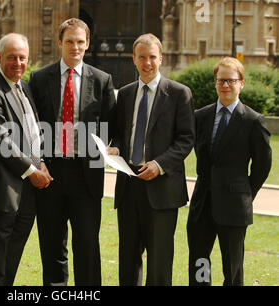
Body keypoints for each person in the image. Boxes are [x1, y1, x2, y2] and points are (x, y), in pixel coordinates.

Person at [29, 18, 116, 286]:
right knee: (52, 245)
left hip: (86, 174)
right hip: (51, 172)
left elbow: (111, 124)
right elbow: (32, 124)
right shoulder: (40, 78)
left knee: (87, 245)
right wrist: (38, 162)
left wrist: (110, 147)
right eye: (69, 41)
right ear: (59, 43)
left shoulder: (102, 80)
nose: (75, 46)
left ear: (87, 44)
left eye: (80, 41)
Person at [108, 33, 195, 286]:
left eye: (152, 57)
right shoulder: (124, 94)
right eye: (142, 57)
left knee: (159, 263)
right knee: (128, 260)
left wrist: (160, 165)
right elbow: (120, 135)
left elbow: (186, 139)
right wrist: (115, 148)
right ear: (134, 59)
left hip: (162, 189)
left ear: (162, 59)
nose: (147, 63)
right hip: (129, 186)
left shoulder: (180, 93)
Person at [187, 57, 271, 286]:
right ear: (215, 83)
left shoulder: (253, 121)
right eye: (220, 80)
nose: (225, 85)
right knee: (199, 261)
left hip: (234, 207)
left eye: (230, 81)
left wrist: (245, 193)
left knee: (232, 268)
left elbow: (263, 165)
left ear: (241, 83)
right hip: (203, 203)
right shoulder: (201, 116)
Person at [0, 33, 53, 286]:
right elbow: (2, 141)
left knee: (11, 262)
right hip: (4, 192)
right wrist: (33, 170)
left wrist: (41, 163)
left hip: (28, 195)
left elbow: (33, 132)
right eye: (12, 58)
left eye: (22, 58)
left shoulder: (25, 87)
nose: (18, 63)